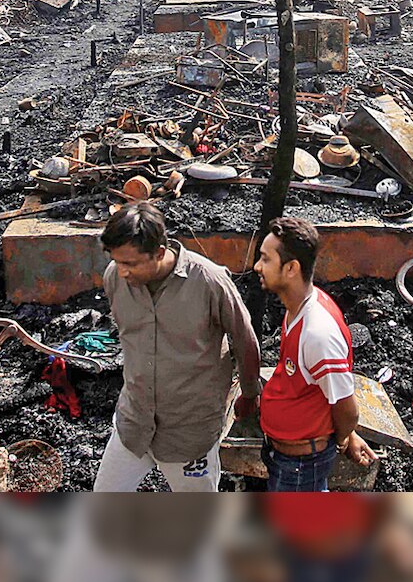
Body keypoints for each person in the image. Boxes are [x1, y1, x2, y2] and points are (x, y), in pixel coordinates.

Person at [94, 201, 261, 492]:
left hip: (189, 432)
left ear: (159, 253)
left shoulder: (208, 281)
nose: (122, 272)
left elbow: (244, 338)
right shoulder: (115, 278)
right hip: (134, 424)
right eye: (117, 261)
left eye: (130, 263)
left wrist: (249, 392)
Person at [254, 216, 376, 491]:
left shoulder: (317, 334)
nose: (257, 266)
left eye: (265, 259)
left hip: (299, 465)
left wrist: (345, 437)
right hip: (285, 455)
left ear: (291, 268)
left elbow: (347, 409)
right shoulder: (298, 306)